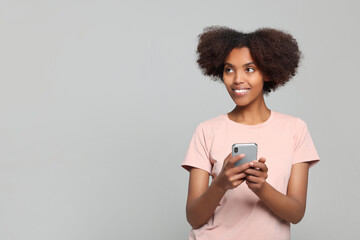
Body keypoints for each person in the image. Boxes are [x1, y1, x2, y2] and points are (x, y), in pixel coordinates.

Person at [181, 26, 320, 240]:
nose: (237, 79)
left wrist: (261, 187)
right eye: (229, 69)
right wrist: (221, 184)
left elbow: (296, 212)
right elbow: (193, 217)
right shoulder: (206, 131)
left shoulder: (295, 129)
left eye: (249, 69)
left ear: (267, 72)